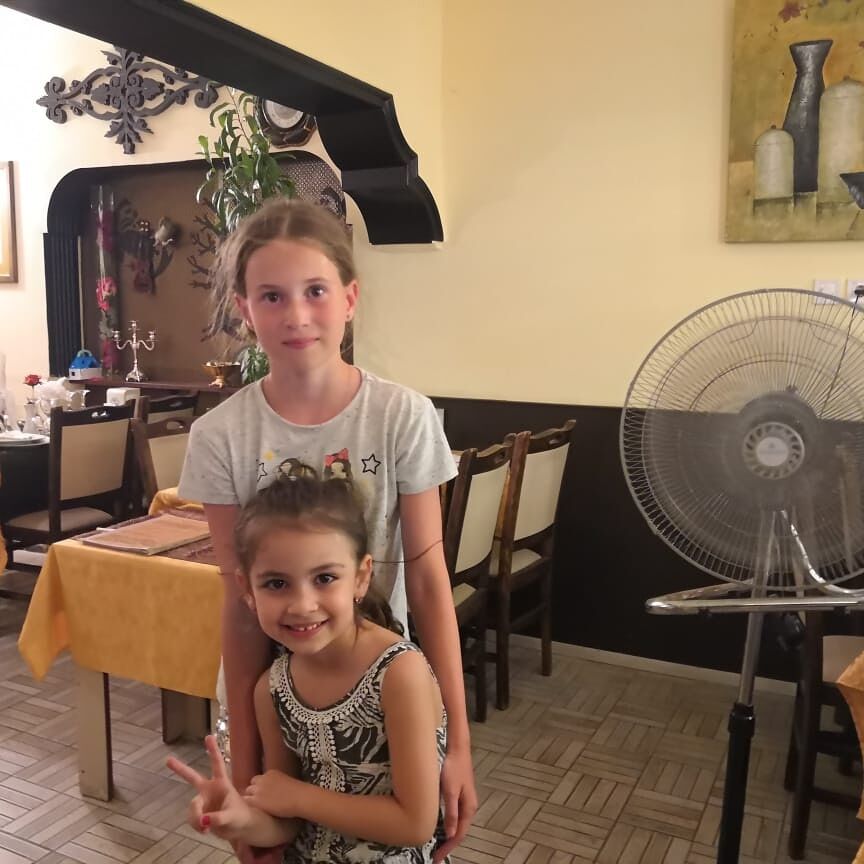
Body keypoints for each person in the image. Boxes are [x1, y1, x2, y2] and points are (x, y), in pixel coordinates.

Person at [178, 198, 475, 862]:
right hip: (273, 703)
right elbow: (239, 602)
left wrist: (457, 743)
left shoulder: (402, 417)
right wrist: (246, 773)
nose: (297, 315)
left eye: (315, 290)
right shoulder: (221, 436)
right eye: (272, 296)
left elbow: (430, 581)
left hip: (381, 698)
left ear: (349, 297)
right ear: (245, 309)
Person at [168, 475, 448, 862]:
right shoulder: (272, 689)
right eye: (276, 583)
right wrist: (241, 820)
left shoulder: (399, 673)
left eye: (325, 578)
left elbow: (415, 823)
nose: (302, 605)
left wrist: (300, 797)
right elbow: (286, 824)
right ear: (247, 590)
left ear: (361, 577)